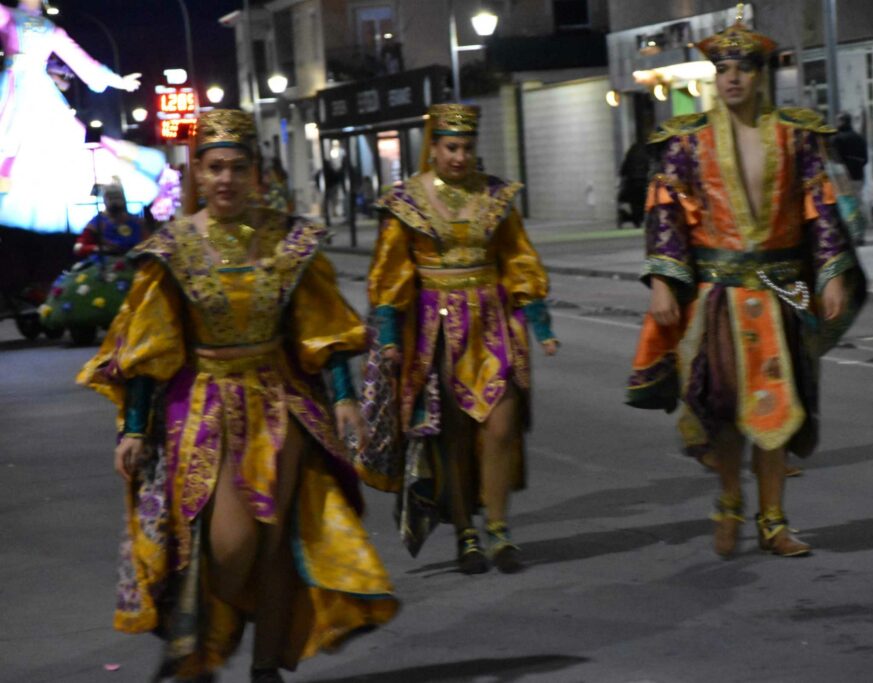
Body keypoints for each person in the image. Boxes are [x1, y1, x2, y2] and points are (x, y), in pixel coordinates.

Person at [77, 110, 398, 683]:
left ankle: (267, 664)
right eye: (215, 166)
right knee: (230, 548)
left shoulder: (290, 242)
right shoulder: (172, 249)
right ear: (197, 171)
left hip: (282, 402)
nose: (226, 179)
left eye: (238, 167)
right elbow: (150, 348)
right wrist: (132, 428)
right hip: (205, 406)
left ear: (257, 174)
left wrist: (345, 396)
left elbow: (318, 325)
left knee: (276, 542)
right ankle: (214, 623)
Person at [625, 20, 865, 559]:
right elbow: (666, 215)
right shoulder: (686, 141)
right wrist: (663, 283)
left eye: (743, 68)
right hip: (718, 292)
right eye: (723, 69)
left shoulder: (797, 135)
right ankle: (731, 499)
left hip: (785, 291)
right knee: (728, 405)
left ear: (760, 76)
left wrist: (832, 275)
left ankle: (774, 520)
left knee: (781, 404)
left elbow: (821, 211)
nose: (732, 78)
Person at [363, 103, 558, 574]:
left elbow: (518, 257)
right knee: (451, 430)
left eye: (467, 148)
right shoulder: (405, 201)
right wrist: (388, 332)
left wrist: (538, 317)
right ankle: (465, 531)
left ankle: (499, 527)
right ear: (434, 146)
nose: (459, 157)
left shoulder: (495, 197)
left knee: (501, 424)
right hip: (436, 325)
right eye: (451, 147)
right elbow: (390, 273)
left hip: (491, 321)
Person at [0, 0, 165, 233]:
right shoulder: (9, 16)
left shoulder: (50, 28)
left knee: (54, 147)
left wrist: (117, 81)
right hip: (12, 90)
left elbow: (81, 62)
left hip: (36, 91)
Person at [39, 183, 147, 344]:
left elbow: (148, 242)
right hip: (104, 262)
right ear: (105, 200)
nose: (115, 201)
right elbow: (80, 247)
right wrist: (96, 247)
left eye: (118, 197)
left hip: (135, 261)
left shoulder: (137, 222)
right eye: (111, 197)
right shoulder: (98, 222)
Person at [618, 139, 652, 228]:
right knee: (643, 201)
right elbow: (649, 167)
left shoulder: (631, 155)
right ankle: (641, 219)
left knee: (634, 202)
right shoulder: (646, 153)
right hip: (643, 181)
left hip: (632, 182)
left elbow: (623, 170)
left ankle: (636, 220)